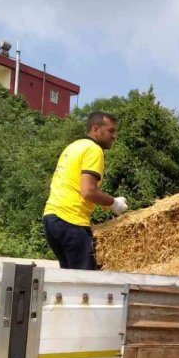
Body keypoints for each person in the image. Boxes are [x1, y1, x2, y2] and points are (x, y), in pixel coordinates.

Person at [42, 112, 128, 270]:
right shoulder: (94, 149)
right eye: (110, 131)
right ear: (95, 129)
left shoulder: (73, 147)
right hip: (71, 221)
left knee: (69, 282)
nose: (114, 136)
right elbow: (88, 191)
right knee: (84, 285)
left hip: (51, 219)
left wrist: (105, 203)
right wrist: (113, 203)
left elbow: (74, 185)